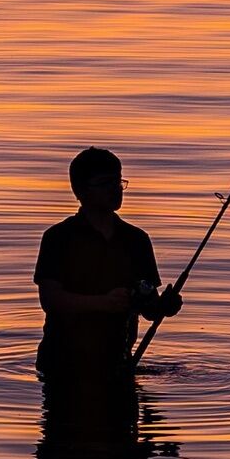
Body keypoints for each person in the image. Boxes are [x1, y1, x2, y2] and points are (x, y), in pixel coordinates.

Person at [34, 146, 178, 380]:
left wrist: (164, 306)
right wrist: (103, 303)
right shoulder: (57, 238)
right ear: (80, 190)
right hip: (61, 366)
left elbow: (148, 307)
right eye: (105, 183)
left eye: (119, 182)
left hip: (119, 365)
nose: (116, 190)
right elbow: (50, 300)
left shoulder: (137, 240)